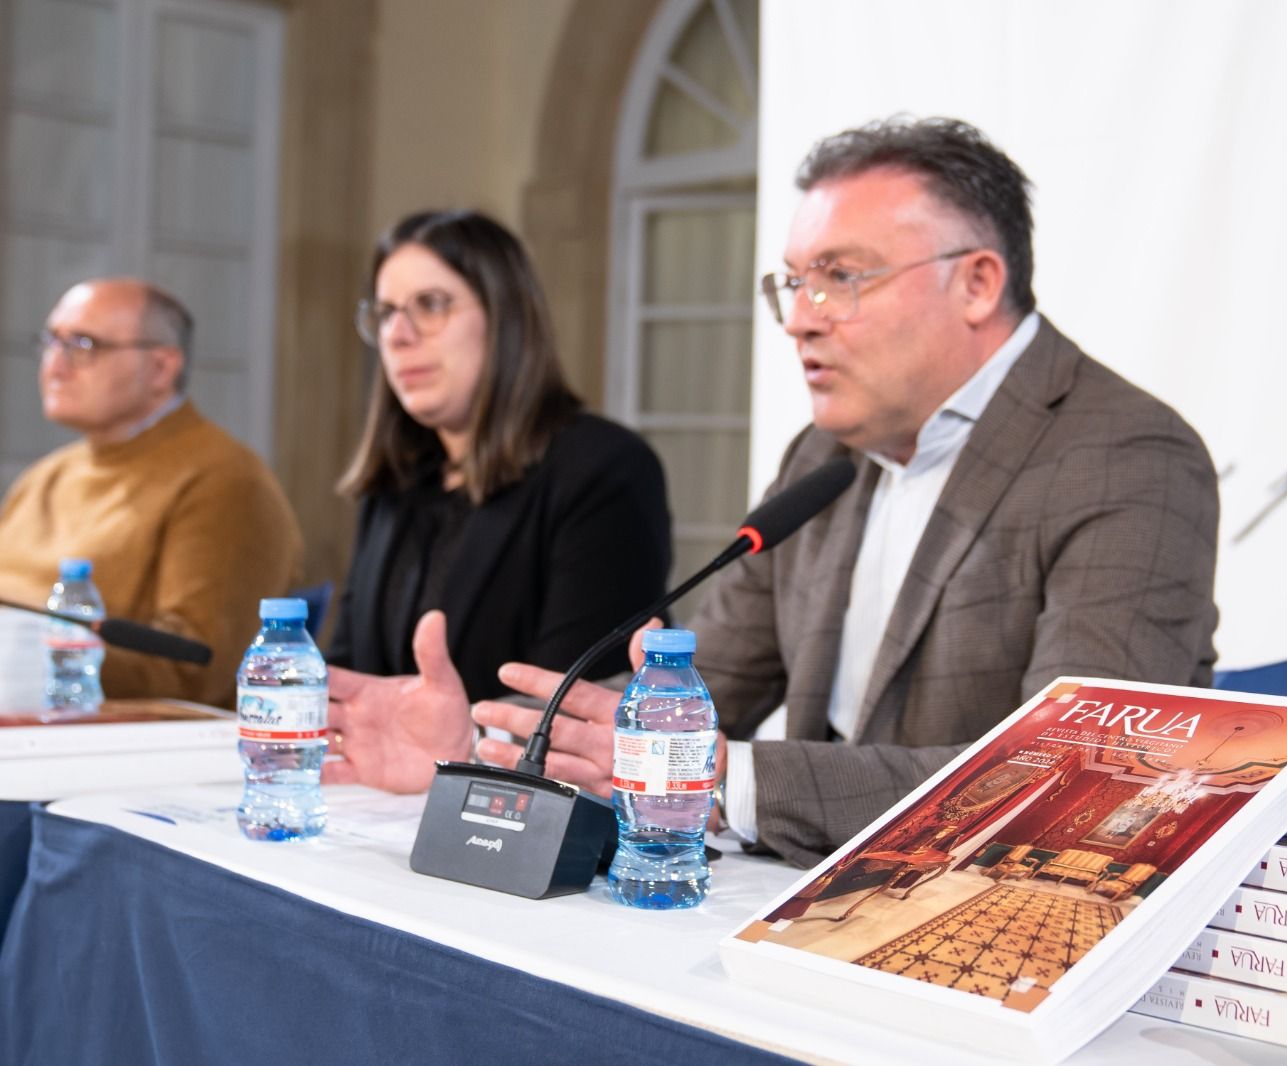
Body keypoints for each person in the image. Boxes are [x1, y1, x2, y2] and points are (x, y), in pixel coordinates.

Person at [326, 119, 1219, 868]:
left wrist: (721, 778)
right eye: (794, 282)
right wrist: (484, 753)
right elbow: (686, 690)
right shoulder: (823, 459)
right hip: (802, 914)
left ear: (978, 282)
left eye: (843, 276)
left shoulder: (1126, 456)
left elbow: (1067, 778)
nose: (800, 315)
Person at [324, 209, 671, 703]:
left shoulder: (604, 469)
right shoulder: (396, 481)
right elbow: (347, 674)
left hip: (517, 779)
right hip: (377, 781)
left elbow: (575, 700)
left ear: (503, 317)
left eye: (430, 304)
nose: (398, 336)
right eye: (385, 313)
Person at [0, 278, 304, 707]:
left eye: (83, 345)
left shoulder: (225, 480)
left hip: (118, 748)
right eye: (51, 341)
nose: (55, 364)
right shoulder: (43, 477)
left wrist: (30, 662)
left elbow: (196, 669)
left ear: (162, 368)